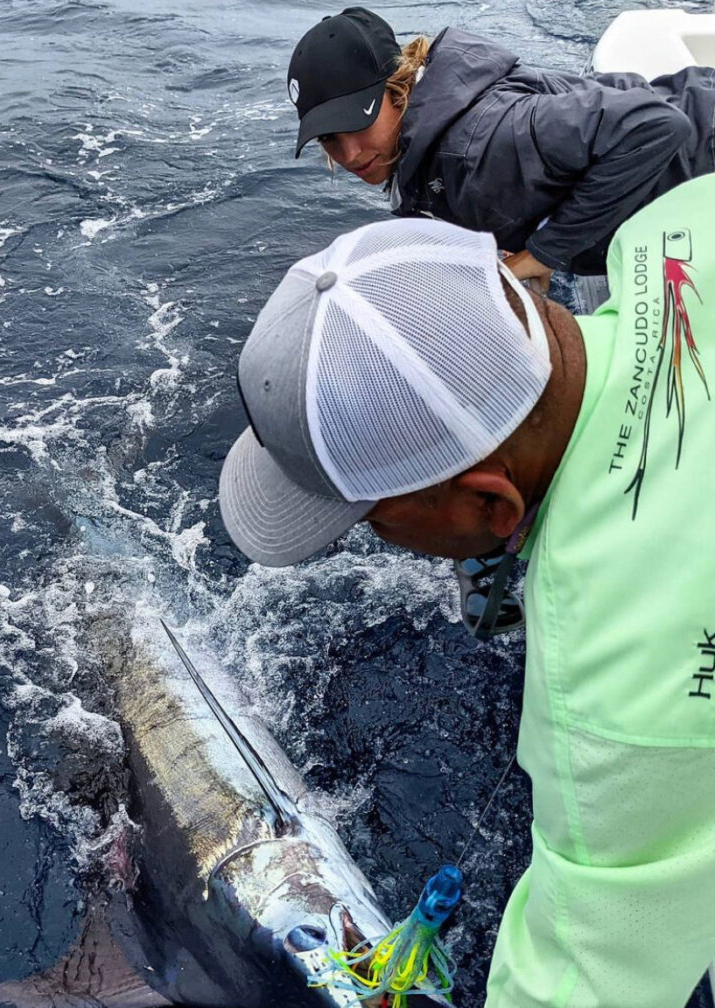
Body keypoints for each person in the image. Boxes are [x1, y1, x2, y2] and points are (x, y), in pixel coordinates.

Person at [217, 174, 715, 1005]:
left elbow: (582, 982)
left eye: (372, 520)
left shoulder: (615, 704)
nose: (376, 544)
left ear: (490, 502)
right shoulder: (673, 225)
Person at [286, 7, 715, 284]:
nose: (350, 155)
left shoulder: (484, 139)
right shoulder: (432, 129)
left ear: (397, 87)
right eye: (329, 138)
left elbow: (656, 127)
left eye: (355, 122)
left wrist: (543, 253)